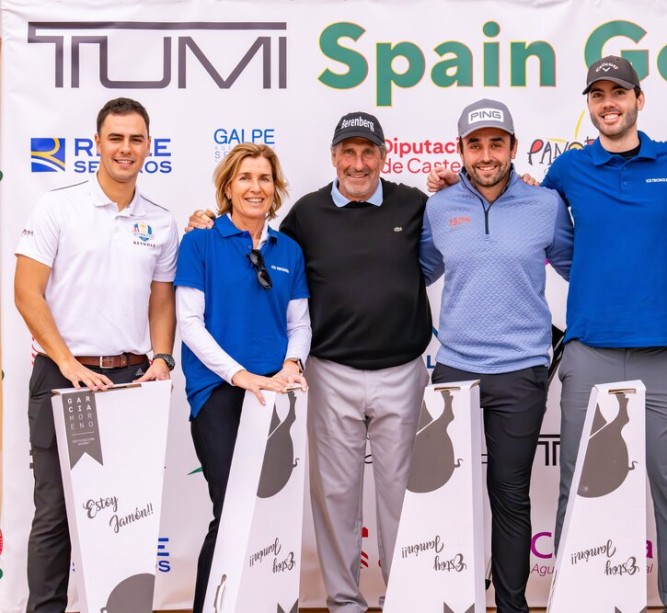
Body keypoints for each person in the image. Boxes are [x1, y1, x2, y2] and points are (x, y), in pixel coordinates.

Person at [430, 56, 667, 613]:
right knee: (575, 486)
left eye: (619, 92)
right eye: (598, 94)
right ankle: (573, 601)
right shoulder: (566, 174)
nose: (609, 103)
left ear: (638, 99)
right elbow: (506, 220)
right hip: (587, 348)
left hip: (665, 349)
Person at [186, 112, 431, 613]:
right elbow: (251, 261)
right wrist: (206, 221)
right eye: (348, 151)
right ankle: (344, 602)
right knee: (335, 496)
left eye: (368, 152)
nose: (357, 163)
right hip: (331, 372)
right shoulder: (306, 214)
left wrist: (459, 185)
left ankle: (403, 597)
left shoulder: (415, 204)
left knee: (401, 497)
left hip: (403, 370)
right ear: (334, 156)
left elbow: (454, 236)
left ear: (384, 156)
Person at [14, 97, 178, 613]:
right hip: (64, 379)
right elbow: (26, 292)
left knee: (126, 513)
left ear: (148, 146)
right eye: (116, 138)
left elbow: (161, 300)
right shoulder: (57, 206)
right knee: (56, 514)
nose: (126, 149)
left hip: (131, 383)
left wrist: (162, 357)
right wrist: (68, 364)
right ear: (97, 144)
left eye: (136, 139)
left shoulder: (161, 220)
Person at [419, 99, 573, 612]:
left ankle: (511, 606)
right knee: (447, 499)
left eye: (496, 143)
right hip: (455, 368)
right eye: (475, 144)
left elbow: (581, 267)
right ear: (460, 148)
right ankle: (450, 599)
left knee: (509, 496)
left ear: (511, 147)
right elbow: (411, 271)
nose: (486, 154)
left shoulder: (545, 205)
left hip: (521, 369)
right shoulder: (438, 207)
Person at [175, 143, 310, 613]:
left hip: (274, 397)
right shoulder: (200, 241)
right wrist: (240, 375)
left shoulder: (288, 249)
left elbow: (300, 324)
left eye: (265, 178)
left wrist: (292, 364)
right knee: (230, 510)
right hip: (218, 393)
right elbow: (189, 324)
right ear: (228, 187)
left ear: (276, 190)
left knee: (267, 512)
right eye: (246, 178)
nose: (256, 187)